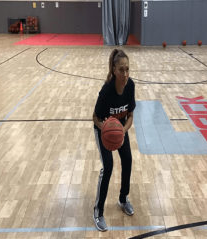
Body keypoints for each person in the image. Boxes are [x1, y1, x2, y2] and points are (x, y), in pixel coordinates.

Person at [92, 49, 136, 231]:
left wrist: (122, 131)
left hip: (120, 129)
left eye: (127, 69)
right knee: (108, 166)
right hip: (103, 130)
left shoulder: (131, 85)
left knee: (127, 159)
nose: (125, 74)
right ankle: (98, 210)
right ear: (114, 69)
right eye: (121, 70)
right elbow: (95, 117)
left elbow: (131, 115)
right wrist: (108, 130)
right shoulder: (107, 90)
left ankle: (123, 199)